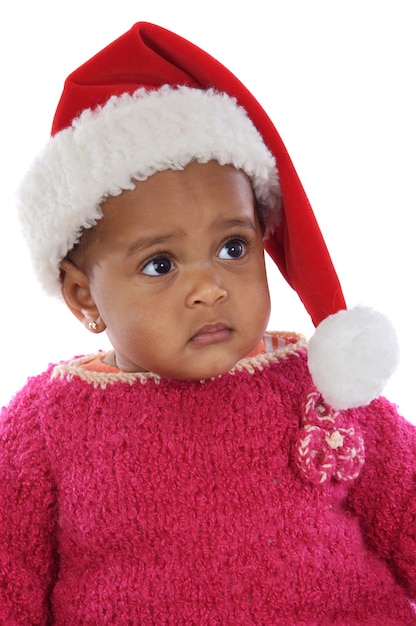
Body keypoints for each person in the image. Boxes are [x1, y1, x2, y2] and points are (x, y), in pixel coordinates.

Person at [0, 21, 415, 625]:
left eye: (233, 248)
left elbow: (406, 511)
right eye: (160, 263)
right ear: (82, 295)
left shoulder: (320, 387)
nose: (209, 288)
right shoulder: (47, 427)